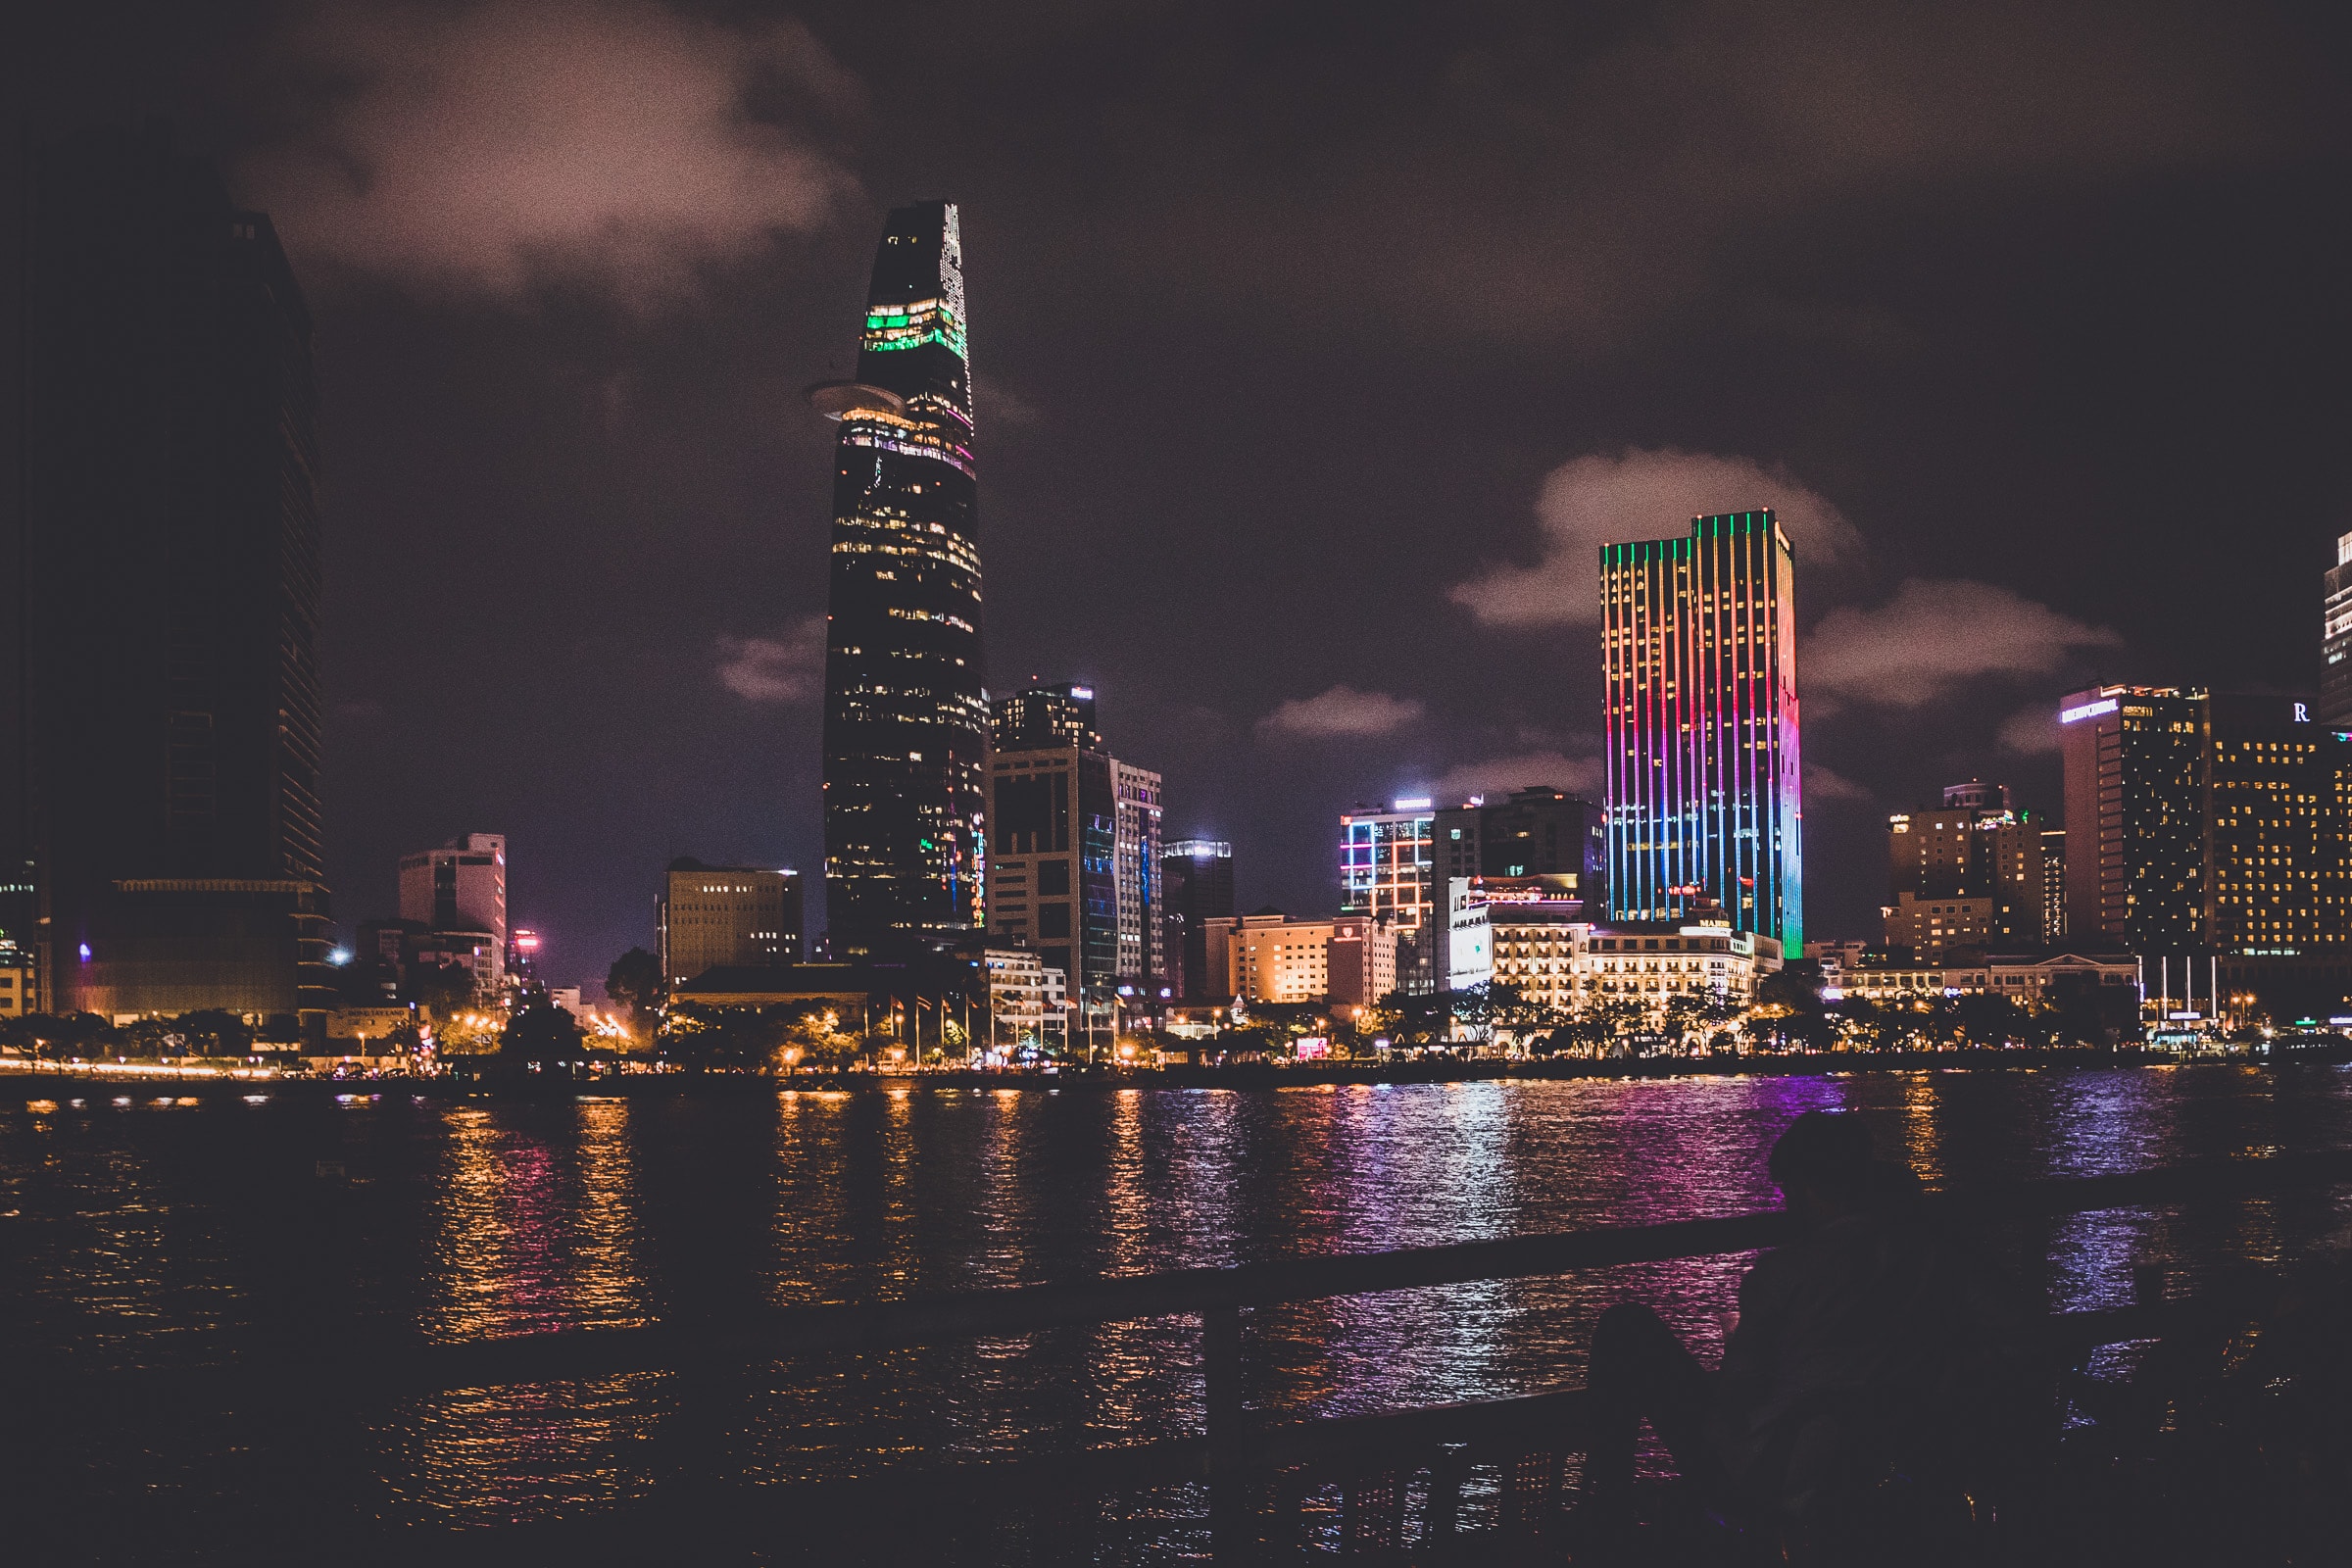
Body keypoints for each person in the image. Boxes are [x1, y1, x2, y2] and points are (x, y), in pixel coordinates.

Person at [1582, 1110, 2023, 1544]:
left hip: (1776, 1475)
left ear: (1805, 1189)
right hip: (1889, 1463)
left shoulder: (1783, 1273)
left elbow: (1737, 1395)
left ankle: (1606, 1511)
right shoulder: (1932, 1258)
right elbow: (2013, 1323)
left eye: (1787, 1191)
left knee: (1627, 1328)